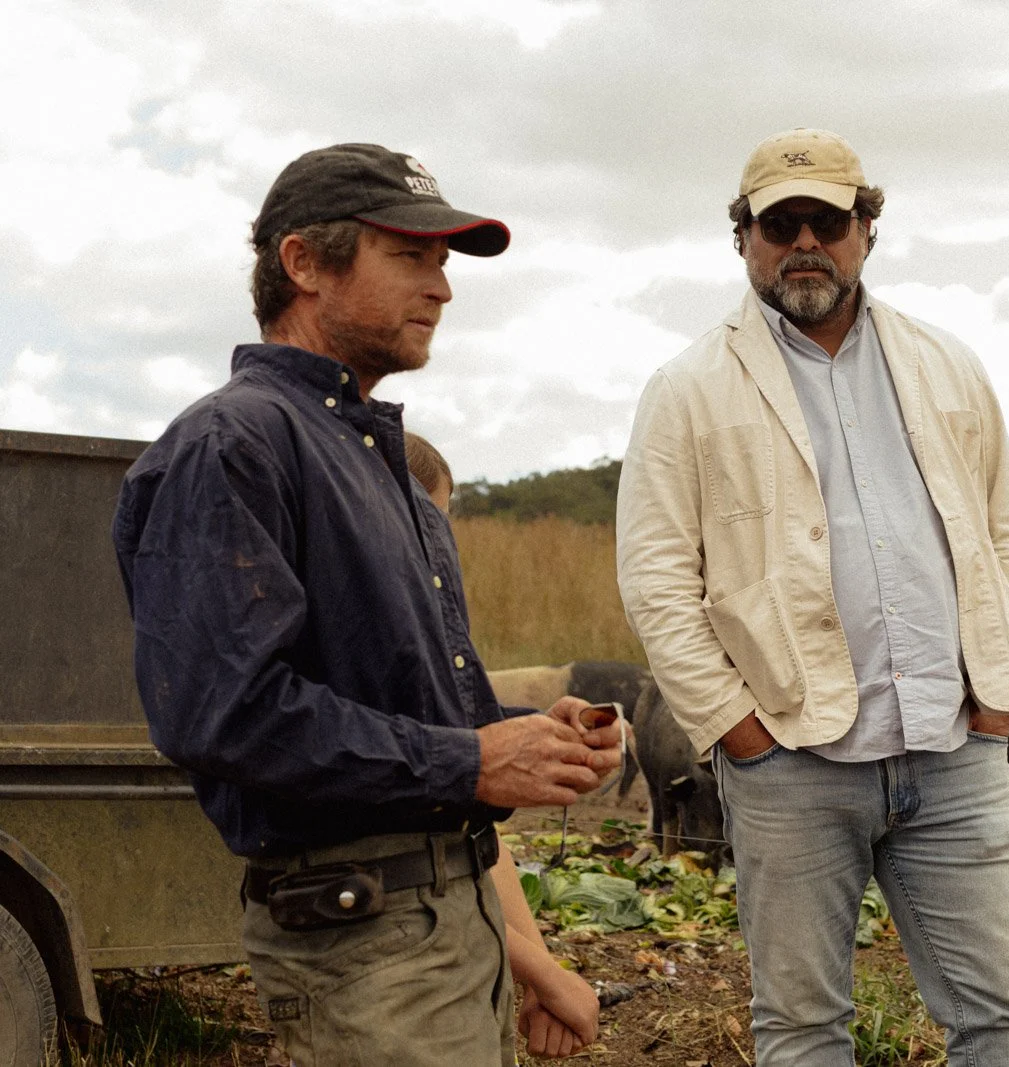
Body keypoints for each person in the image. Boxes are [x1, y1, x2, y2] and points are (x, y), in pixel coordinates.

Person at [112, 143, 620, 1067]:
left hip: (444, 930)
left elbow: (403, 717)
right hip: (363, 947)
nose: (443, 288)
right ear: (304, 262)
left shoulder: (374, 454)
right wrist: (469, 757)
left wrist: (526, 737)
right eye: (412, 257)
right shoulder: (232, 445)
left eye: (445, 263)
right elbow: (223, 715)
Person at [615, 128, 1009, 1065]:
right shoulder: (688, 389)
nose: (805, 241)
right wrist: (740, 731)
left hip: (953, 752)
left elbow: (1008, 538)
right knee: (805, 1028)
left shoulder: (948, 367)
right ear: (744, 239)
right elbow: (656, 580)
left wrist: (1000, 698)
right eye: (781, 223)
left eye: (829, 219)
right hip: (792, 762)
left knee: (1008, 1020)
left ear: (867, 230)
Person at [404, 430, 602, 1057]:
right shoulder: (382, 661)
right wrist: (547, 977)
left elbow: (482, 848)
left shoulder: (433, 651)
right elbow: (420, 875)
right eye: (435, 521)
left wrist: (543, 972)